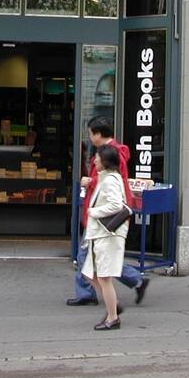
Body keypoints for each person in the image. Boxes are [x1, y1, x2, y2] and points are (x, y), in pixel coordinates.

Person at [67, 116, 150, 307]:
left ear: (97, 134)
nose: (89, 137)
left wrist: (90, 183)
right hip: (103, 212)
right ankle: (132, 282)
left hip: (103, 214)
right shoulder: (113, 151)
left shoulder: (110, 153)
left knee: (90, 257)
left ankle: (101, 298)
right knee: (99, 258)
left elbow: (111, 181)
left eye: (90, 133)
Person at [82, 144, 128, 330]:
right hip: (102, 235)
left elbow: (116, 205)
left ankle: (112, 317)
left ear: (105, 161)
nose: (94, 160)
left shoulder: (109, 180)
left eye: (97, 158)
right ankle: (113, 305)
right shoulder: (107, 178)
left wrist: (94, 211)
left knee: (103, 277)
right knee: (90, 274)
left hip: (107, 235)